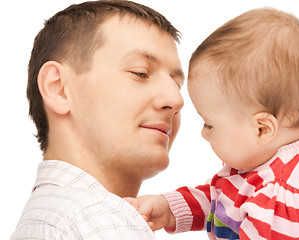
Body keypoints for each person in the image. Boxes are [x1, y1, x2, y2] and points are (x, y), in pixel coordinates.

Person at [127, 8, 299, 239]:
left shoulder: (282, 198)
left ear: (262, 129)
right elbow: (229, 198)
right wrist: (169, 209)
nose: (203, 134)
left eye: (209, 124)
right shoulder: (276, 155)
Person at [11, 0, 184, 239]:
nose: (176, 100)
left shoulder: (44, 219)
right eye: (140, 73)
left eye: (177, 85)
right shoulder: (97, 218)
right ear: (59, 88)